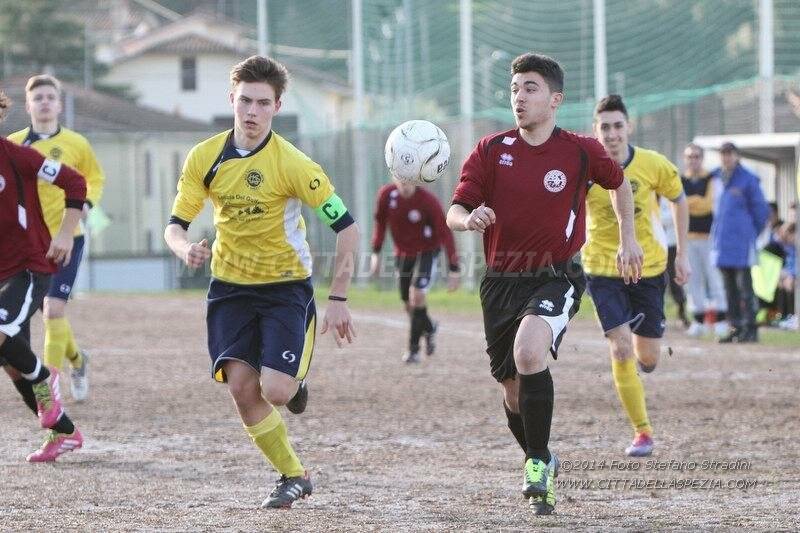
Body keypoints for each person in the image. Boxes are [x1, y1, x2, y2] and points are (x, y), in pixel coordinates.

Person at [447, 53, 642, 515]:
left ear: (555, 99)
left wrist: (627, 239)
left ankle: (535, 465)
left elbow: (619, 185)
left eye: (530, 88)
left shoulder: (580, 149)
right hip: (499, 281)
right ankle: (543, 457)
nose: (519, 97)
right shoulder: (491, 150)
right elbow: (455, 209)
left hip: (556, 274)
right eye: (515, 88)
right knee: (512, 391)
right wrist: (468, 219)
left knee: (530, 352)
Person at [164, 55, 359, 509]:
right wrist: (184, 248)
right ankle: (294, 474)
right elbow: (175, 225)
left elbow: (347, 229)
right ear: (232, 99)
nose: (252, 112)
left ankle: (292, 381)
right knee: (241, 389)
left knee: (275, 390)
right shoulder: (204, 158)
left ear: (277, 106)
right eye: (245, 101)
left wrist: (339, 296)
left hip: (284, 289)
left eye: (263, 103)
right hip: (228, 289)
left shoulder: (294, 165)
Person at [584, 95, 690, 458]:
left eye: (617, 126)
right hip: (601, 268)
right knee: (621, 346)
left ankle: (640, 366)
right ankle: (642, 431)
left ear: (629, 127)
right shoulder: (584, 170)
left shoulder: (653, 164)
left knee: (648, 359)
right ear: (595, 131)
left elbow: (679, 198)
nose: (612, 134)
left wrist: (683, 256)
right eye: (604, 127)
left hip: (650, 268)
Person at [6, 75, 106, 401]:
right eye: (39, 98)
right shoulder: (15, 144)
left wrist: (86, 203)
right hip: (30, 243)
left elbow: (92, 178)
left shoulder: (77, 143)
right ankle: (78, 359)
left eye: (51, 97)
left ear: (60, 104)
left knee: (53, 310)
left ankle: (50, 385)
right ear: (28, 105)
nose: (45, 102)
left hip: (67, 238)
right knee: (42, 313)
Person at [0, 88, 86, 462]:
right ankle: (64, 433)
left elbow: (75, 183)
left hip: (28, 267)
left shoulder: (15, 155)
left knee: (17, 357)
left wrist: (66, 233)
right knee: (13, 365)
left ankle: (45, 377)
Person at [369, 177, 461, 363]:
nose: (404, 184)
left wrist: (454, 268)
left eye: (408, 179)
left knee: (417, 295)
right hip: (402, 255)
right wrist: (376, 253)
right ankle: (429, 327)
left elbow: (445, 234)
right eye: (400, 178)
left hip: (426, 253)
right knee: (408, 305)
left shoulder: (428, 201)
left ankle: (413, 350)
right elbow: (380, 223)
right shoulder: (386, 195)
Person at [711, 142, 770, 343]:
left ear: (737, 156)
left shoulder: (748, 179)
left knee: (745, 288)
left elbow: (762, 211)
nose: (726, 158)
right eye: (723, 154)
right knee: (729, 290)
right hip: (723, 244)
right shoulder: (717, 177)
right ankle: (735, 327)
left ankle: (751, 328)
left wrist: (751, 233)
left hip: (742, 244)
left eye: (729, 154)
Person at [680, 143, 728, 337]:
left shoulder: (712, 179)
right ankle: (698, 321)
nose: (694, 160)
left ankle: (721, 320)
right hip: (688, 238)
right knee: (693, 281)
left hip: (709, 238)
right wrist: (691, 203)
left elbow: (708, 205)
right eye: (690, 156)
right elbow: (677, 204)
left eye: (697, 156)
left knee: (714, 279)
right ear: (685, 159)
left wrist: (689, 203)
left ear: (702, 158)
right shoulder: (680, 180)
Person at [658, 195, 690, 328]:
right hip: (653, 244)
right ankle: (658, 314)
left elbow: (675, 215)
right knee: (656, 280)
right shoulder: (648, 194)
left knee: (674, 279)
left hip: (670, 244)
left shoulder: (669, 195)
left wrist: (656, 219)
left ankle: (681, 310)